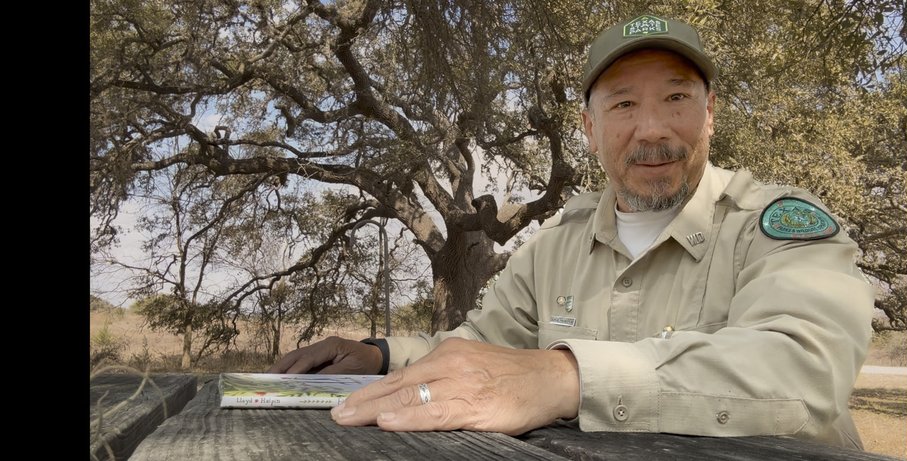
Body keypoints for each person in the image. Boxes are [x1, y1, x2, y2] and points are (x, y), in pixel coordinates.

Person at [268, 13, 874, 449]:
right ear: (588, 126)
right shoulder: (555, 245)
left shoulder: (776, 226)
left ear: (710, 113)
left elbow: (805, 366)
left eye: (676, 97)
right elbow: (481, 345)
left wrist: (561, 377)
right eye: (624, 106)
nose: (653, 128)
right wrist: (378, 356)